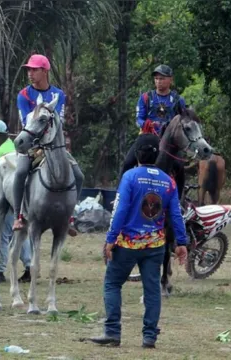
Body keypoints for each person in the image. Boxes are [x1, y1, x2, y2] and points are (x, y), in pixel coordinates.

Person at [88, 134, 188, 349]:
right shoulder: (168, 181)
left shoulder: (130, 177)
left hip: (127, 244)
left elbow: (120, 210)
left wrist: (110, 239)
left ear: (137, 154)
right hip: (155, 246)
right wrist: (181, 243)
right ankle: (149, 337)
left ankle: (112, 332)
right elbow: (176, 215)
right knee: (152, 290)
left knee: (112, 284)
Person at [12, 54, 83, 236]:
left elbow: (59, 120)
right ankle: (18, 217)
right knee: (20, 173)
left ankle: (70, 216)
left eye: (34, 69)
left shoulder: (58, 94)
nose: (30, 73)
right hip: (31, 144)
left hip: (54, 144)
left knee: (78, 175)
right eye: (29, 69)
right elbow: (26, 120)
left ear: (44, 71)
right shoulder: (24, 94)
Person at [0, 119, 32, 283]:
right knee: (16, 234)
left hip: (8, 198)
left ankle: (1, 271)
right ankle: (29, 266)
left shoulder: (7, 151)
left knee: (4, 232)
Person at [120, 65, 187, 177]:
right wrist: (146, 124)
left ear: (170, 79)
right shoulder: (146, 97)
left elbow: (183, 121)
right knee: (127, 162)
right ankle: (120, 191)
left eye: (162, 78)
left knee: (180, 168)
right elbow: (139, 119)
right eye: (156, 79)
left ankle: (178, 194)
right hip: (147, 138)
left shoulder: (178, 100)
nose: (158, 81)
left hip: (169, 142)